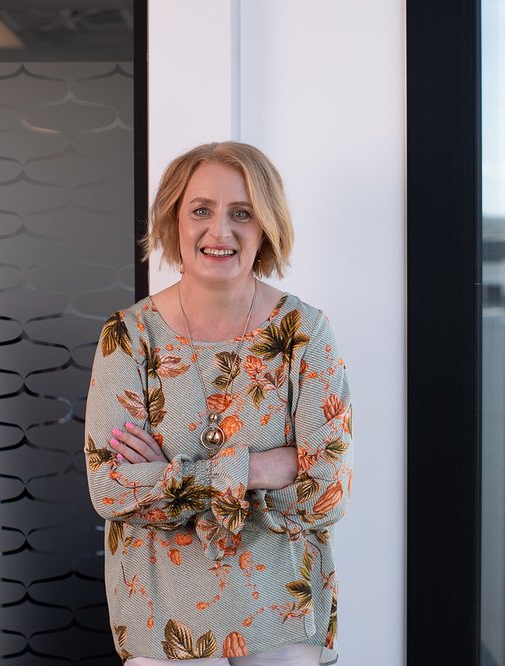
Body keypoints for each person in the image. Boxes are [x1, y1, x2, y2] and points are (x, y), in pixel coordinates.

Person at [84, 142, 353, 665]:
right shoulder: (129, 336)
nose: (220, 232)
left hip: (281, 607)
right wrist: (261, 469)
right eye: (201, 210)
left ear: (266, 225)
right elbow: (111, 489)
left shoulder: (306, 333)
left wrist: (170, 479)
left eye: (242, 213)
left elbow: (328, 490)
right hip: (161, 612)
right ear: (173, 220)